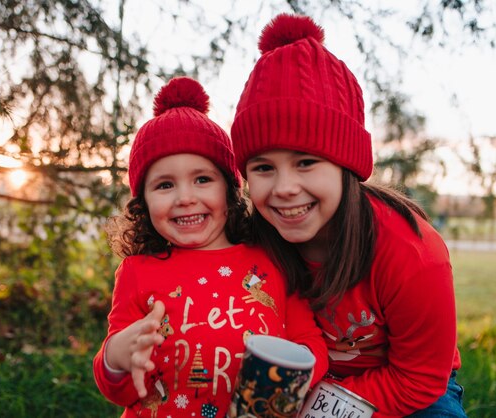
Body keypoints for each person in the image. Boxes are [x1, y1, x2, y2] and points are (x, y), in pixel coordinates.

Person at [230, 14, 467, 418]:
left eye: (306, 162)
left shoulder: (412, 253)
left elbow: (421, 379)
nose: (284, 187)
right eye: (263, 168)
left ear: (347, 166)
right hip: (292, 383)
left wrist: (316, 408)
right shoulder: (252, 241)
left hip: (404, 389)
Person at [92, 76, 328, 417]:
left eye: (203, 179)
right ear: (142, 201)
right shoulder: (137, 272)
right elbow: (125, 391)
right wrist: (115, 358)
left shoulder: (271, 259)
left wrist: (297, 372)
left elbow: (310, 339)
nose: (186, 198)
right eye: (165, 185)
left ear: (229, 189)